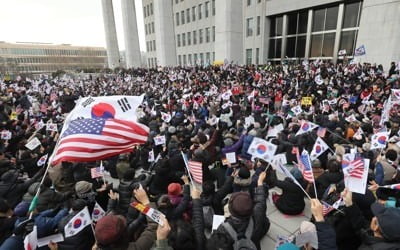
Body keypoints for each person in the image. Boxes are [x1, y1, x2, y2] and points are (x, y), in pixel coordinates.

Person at [207, 172, 269, 250]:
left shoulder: (223, 228)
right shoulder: (257, 216)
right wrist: (260, 183)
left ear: (230, 209)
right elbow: (261, 202)